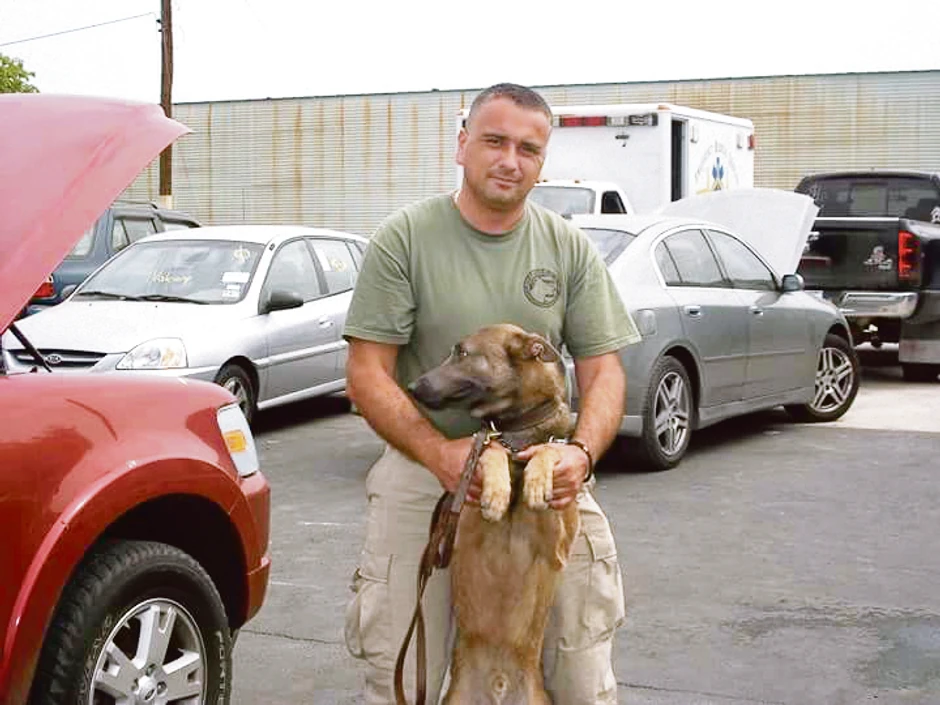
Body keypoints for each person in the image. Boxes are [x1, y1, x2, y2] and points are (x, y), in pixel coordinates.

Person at [342, 82, 640, 704]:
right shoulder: (406, 237)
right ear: (461, 145)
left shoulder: (566, 246)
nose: (510, 159)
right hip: (431, 471)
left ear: (542, 161)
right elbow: (368, 371)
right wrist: (439, 455)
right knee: (404, 680)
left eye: (529, 148)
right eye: (495, 141)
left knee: (582, 676)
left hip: (544, 473)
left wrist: (579, 455)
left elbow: (604, 371)